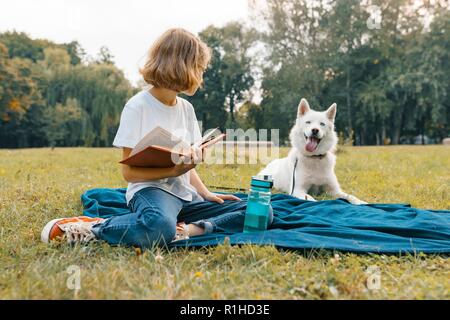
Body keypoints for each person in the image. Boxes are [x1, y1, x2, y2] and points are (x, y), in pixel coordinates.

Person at [41, 28, 255, 248]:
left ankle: (186, 230)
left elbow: (186, 165)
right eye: (199, 69)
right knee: (158, 224)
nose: (201, 77)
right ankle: (92, 228)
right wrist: (173, 171)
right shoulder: (138, 107)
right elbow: (129, 173)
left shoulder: (186, 109)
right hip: (151, 192)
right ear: (183, 66)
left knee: (259, 211)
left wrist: (206, 193)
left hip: (185, 196)